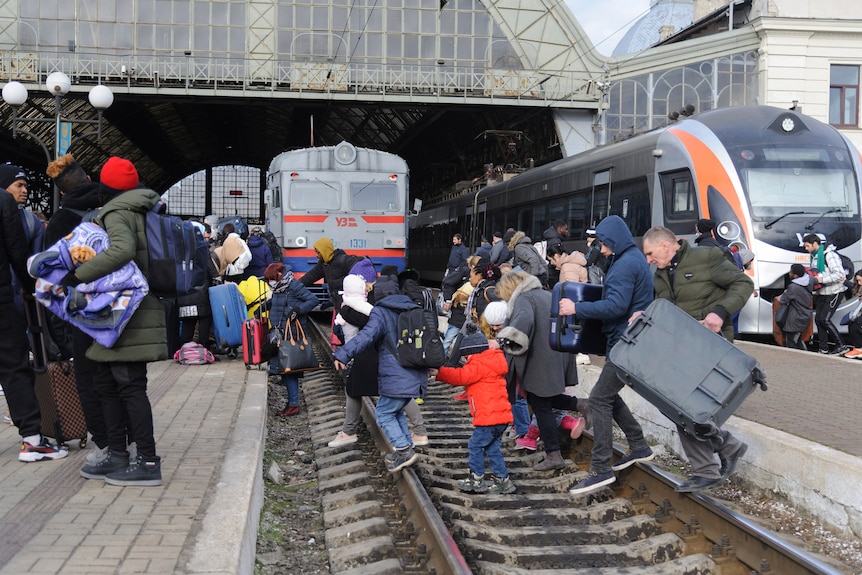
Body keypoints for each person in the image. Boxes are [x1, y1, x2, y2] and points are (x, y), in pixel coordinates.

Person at [72, 156, 167, 486]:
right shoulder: (144, 209)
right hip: (132, 309)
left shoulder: (117, 212)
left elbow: (124, 250)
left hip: (129, 311)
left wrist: (82, 272)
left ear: (106, 188)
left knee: (128, 384)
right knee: (107, 382)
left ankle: (147, 461)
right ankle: (117, 455)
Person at [641, 225, 751, 492]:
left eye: (650, 253)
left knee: (684, 407)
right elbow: (664, 311)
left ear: (665, 246)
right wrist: (644, 317)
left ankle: (708, 469)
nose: (648, 260)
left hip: (710, 346)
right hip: (681, 351)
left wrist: (720, 312)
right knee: (675, 405)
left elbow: (744, 283)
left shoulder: (706, 258)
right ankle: (728, 446)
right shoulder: (660, 275)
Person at [45, 153, 128, 465]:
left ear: (63, 191)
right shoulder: (115, 209)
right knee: (124, 377)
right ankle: (130, 437)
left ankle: (107, 444)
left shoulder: (60, 221)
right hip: (123, 304)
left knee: (90, 378)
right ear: (90, 180)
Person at [563, 216, 655, 495]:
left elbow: (616, 306)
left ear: (613, 240)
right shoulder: (629, 258)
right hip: (627, 340)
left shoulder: (626, 264)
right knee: (608, 395)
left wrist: (576, 308)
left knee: (599, 400)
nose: (600, 249)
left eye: (603, 243)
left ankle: (600, 469)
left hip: (626, 343)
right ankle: (638, 445)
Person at [0, 172, 68, 462]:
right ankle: (32, 439)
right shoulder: (4, 202)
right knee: (14, 367)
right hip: (1, 298)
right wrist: (30, 288)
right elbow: (17, 250)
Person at [492, 270, 585, 471]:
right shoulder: (546, 294)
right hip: (555, 354)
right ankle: (582, 404)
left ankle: (554, 454)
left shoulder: (524, 299)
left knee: (541, 407)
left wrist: (501, 341)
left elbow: (523, 323)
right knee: (541, 399)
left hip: (539, 359)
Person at [332, 282, 428, 473]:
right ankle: (406, 449)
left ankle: (403, 449)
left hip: (395, 373)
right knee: (396, 410)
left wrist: (343, 354)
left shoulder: (381, 313)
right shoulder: (414, 311)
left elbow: (366, 336)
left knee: (384, 414)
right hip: (415, 370)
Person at [430, 332, 516, 495]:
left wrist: (439, 373)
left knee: (475, 445)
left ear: (473, 352)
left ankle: (476, 479)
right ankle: (503, 481)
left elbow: (460, 376)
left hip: (489, 418)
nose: (467, 359)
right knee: (492, 449)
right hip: (501, 417)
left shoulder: (478, 363)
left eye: (467, 355)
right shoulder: (494, 361)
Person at [264, 262, 319, 416]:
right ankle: (292, 402)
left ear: (279, 275)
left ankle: (294, 405)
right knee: (286, 369)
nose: (270, 283)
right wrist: (264, 306)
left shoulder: (294, 286)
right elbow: (277, 302)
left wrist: (298, 310)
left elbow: (313, 300)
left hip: (291, 334)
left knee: (289, 370)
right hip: (279, 333)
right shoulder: (278, 288)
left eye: (271, 279)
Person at [802, 234, 850, 355]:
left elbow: (839, 274)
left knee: (825, 319)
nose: (806, 249)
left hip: (834, 292)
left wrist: (821, 279)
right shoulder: (815, 257)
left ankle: (842, 346)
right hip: (822, 293)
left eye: (807, 246)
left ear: (815, 244)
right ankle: (823, 349)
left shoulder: (830, 255)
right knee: (818, 319)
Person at [300, 237, 364, 309]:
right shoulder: (324, 263)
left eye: (318, 252)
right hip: (338, 303)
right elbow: (310, 276)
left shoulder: (344, 260)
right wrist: (293, 286)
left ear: (324, 251)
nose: (317, 255)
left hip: (349, 304)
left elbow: (359, 277)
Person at [779, 263, 814, 350]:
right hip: (805, 316)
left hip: (795, 319)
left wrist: (785, 292)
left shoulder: (793, 287)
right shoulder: (810, 281)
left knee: (792, 344)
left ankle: (801, 358)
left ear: (796, 275)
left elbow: (783, 300)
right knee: (798, 340)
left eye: (791, 272)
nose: (789, 274)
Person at [842, 271, 862, 358]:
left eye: (860, 280)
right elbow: (853, 287)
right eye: (858, 281)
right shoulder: (859, 288)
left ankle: (859, 349)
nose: (859, 283)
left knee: (854, 325)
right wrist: (845, 281)